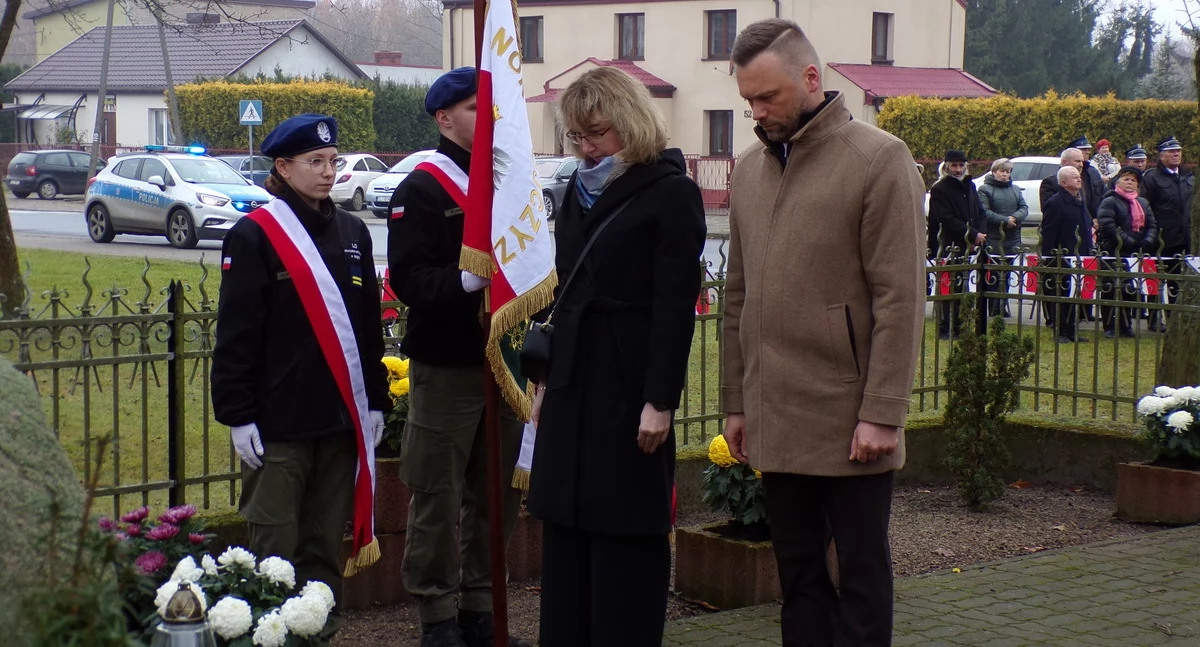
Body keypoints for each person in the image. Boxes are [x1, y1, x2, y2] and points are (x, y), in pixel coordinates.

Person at [723, 18, 926, 647]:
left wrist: (884, 414)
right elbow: (737, 297)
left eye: (768, 97)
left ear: (811, 77)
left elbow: (900, 299)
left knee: (862, 578)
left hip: (850, 416)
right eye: (747, 100)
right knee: (799, 579)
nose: (757, 112)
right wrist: (736, 402)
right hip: (775, 414)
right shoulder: (749, 169)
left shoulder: (879, 159)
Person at [526, 65, 706, 647]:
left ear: (628, 124)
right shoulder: (574, 191)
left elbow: (675, 307)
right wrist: (544, 378)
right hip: (574, 377)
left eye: (597, 133)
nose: (586, 148)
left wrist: (660, 400)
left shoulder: (670, 192)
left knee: (623, 530)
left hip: (628, 383)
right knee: (567, 530)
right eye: (576, 136)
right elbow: (563, 287)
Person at [211, 114, 390, 620]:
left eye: (333, 161)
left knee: (321, 551)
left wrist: (376, 399)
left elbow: (367, 328)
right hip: (279, 423)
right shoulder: (255, 236)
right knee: (273, 550)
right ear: (283, 168)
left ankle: (318, 631)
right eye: (315, 162)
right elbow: (237, 335)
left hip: (337, 421)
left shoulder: (354, 232)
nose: (328, 172)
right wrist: (237, 414)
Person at [387, 67, 530, 647]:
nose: (486, 118)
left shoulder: (507, 180)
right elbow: (409, 280)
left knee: (499, 493)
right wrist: (469, 283)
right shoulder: (421, 187)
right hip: (448, 364)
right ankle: (437, 616)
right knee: (439, 495)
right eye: (474, 109)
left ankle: (478, 607)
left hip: (506, 360)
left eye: (489, 108)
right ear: (444, 118)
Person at [1140, 135, 1194, 333]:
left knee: (1178, 282)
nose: (1176, 154)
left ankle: (1174, 320)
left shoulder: (1188, 176)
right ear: (1162, 156)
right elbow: (1145, 206)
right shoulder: (1152, 178)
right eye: (1172, 151)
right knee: (1156, 281)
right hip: (1161, 238)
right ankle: (1154, 320)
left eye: (1178, 151)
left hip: (1184, 237)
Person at [929, 149, 986, 337]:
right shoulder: (940, 188)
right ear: (946, 167)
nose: (958, 169)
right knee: (948, 287)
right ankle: (945, 327)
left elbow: (979, 211)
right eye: (954, 165)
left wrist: (979, 234)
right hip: (948, 244)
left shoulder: (970, 186)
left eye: (961, 165)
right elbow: (946, 218)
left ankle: (960, 326)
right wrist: (972, 234)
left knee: (963, 286)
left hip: (968, 245)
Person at [1097, 166, 1158, 338]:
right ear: (1118, 182)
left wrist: (1146, 241)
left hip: (1135, 253)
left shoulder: (1143, 202)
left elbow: (1152, 224)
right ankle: (1109, 325)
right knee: (1110, 288)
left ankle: (1125, 324)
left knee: (1129, 290)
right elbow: (1108, 225)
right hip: (1114, 252)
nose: (1130, 182)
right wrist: (1129, 241)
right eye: (1126, 179)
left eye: (1133, 180)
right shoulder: (1109, 201)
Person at [1040, 166, 1094, 343]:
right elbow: (1049, 232)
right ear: (1063, 182)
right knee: (1061, 294)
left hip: (1080, 255)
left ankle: (1071, 329)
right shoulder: (1055, 202)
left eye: (1079, 177)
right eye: (1074, 177)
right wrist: (1050, 257)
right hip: (1062, 255)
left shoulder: (1079, 199)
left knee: (1075, 294)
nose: (1079, 180)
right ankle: (1060, 331)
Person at [978, 157, 1029, 316]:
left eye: (1008, 172)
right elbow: (985, 211)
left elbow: (1024, 207)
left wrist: (1015, 218)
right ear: (994, 172)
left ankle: (1003, 305)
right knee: (994, 274)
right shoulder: (985, 189)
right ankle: (993, 307)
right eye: (1002, 171)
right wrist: (1004, 220)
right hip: (994, 237)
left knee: (1006, 274)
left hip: (1012, 237)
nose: (1005, 175)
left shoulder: (1015, 189)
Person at [1040, 148, 1084, 214]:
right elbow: (1048, 209)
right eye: (1077, 161)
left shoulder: (1081, 180)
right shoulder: (1050, 182)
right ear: (1064, 162)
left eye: (1082, 161)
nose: (1081, 165)